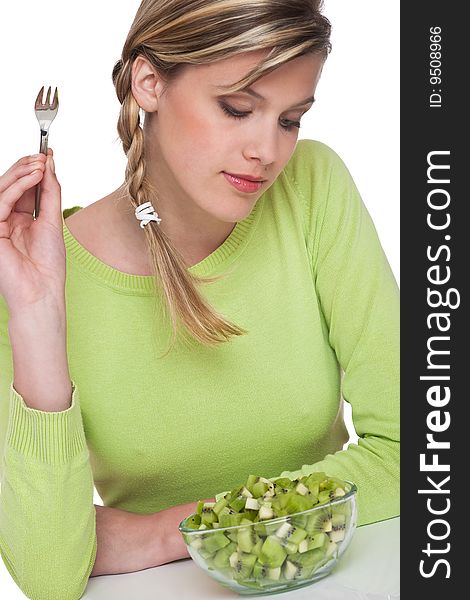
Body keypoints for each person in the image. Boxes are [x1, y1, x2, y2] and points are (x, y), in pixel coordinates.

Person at [0, 0, 399, 598]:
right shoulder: (36, 269)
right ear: (149, 82)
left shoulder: (312, 187)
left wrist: (167, 531)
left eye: (290, 119)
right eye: (237, 109)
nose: (267, 151)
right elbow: (51, 572)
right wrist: (35, 313)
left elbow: (418, 453)